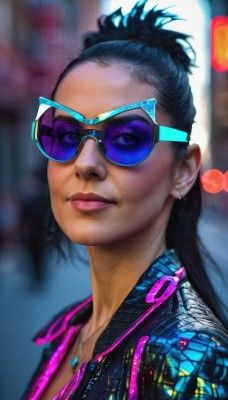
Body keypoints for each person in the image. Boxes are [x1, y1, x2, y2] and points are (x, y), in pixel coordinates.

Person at [23, 1, 228, 399]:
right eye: (64, 135)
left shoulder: (189, 359)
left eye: (126, 138)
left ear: (184, 170)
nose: (85, 164)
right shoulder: (69, 329)